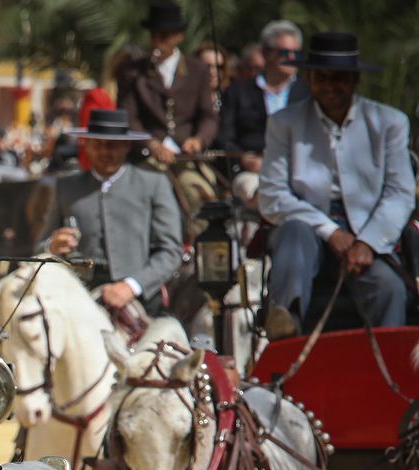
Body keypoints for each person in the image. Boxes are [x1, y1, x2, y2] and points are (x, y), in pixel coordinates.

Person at [259, 32, 415, 336]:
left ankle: (388, 374)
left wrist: (367, 242)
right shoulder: (284, 123)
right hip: (308, 230)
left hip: (368, 232)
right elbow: (272, 194)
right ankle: (285, 327)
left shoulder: (389, 122)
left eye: (339, 78)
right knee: (293, 233)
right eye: (321, 77)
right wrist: (330, 232)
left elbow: (400, 194)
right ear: (309, 78)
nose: (330, 86)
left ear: (355, 79)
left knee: (389, 288)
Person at [38, 110, 184, 320]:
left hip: (139, 299)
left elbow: (171, 251)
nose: (105, 152)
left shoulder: (153, 184)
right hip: (78, 297)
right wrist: (51, 247)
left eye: (113, 145)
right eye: (97, 144)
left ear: (126, 146)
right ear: (86, 145)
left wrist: (132, 286)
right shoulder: (66, 187)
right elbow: (38, 248)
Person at [218, 21, 308, 206]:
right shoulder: (237, 92)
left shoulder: (309, 94)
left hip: (300, 172)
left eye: (296, 53)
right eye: (284, 53)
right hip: (252, 174)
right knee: (260, 193)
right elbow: (224, 136)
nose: (291, 58)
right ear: (266, 53)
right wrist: (243, 158)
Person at [119, 2, 217, 166]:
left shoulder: (197, 69)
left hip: (186, 156)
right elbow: (129, 117)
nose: (157, 41)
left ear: (179, 36)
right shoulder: (133, 72)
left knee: (198, 190)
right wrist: (151, 144)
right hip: (146, 156)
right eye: (153, 35)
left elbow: (208, 116)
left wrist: (198, 140)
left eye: (164, 35)